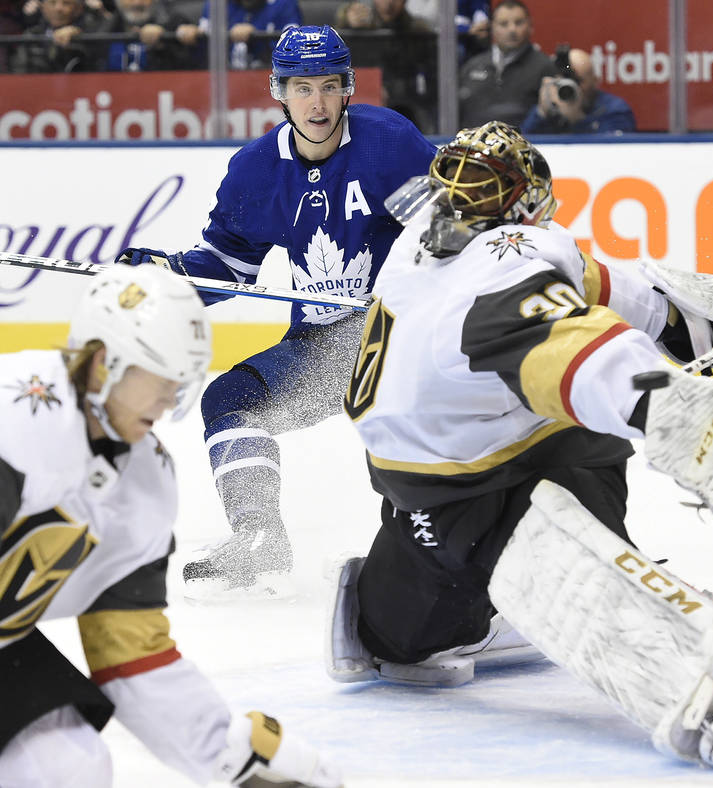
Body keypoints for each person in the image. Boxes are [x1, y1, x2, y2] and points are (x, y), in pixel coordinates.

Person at [323, 121, 713, 769]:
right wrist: (674, 409)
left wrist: (700, 333)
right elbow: (573, 350)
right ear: (527, 205)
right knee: (403, 635)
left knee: (410, 637)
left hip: (447, 508)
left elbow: (611, 300)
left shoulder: (420, 240)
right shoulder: (513, 253)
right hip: (472, 508)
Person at [116, 24, 435, 598]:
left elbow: (445, 233)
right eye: (301, 87)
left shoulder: (389, 142)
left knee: (395, 441)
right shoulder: (257, 170)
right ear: (278, 92)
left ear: (348, 89)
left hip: (396, 333)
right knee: (230, 401)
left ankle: (433, 553)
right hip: (319, 349)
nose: (316, 102)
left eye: (328, 86)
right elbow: (229, 267)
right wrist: (169, 277)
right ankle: (259, 537)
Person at [0, 265, 341, 787]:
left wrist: (224, 753)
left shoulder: (142, 483)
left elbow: (130, 651)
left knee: (66, 766)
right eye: (161, 375)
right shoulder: (14, 417)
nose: (170, 398)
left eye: (183, 378)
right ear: (101, 364)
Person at [333, 0, 437, 132]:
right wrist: (347, 24)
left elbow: (431, 78)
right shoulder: (361, 24)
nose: (389, 3)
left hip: (407, 107)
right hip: (363, 103)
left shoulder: (417, 30)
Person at [458, 0, 556, 128]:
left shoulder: (545, 67)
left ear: (530, 27)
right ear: (492, 27)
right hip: (473, 145)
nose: (512, 29)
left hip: (525, 145)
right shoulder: (471, 66)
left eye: (519, 23)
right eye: (504, 24)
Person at [521, 46, 635, 135]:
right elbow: (523, 145)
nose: (573, 87)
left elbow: (616, 150)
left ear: (596, 80)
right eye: (564, 81)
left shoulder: (616, 110)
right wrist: (541, 113)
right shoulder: (552, 107)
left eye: (578, 81)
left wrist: (577, 119)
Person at [176, 0, 302, 70]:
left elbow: (294, 51)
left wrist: (257, 37)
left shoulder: (284, 4)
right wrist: (193, 38)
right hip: (225, 84)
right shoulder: (217, 5)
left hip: (268, 81)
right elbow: (204, 56)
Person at [9, 0, 114, 72]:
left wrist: (76, 38)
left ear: (78, 9)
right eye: (52, 2)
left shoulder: (89, 34)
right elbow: (19, 70)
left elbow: (97, 63)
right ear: (43, 9)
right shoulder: (32, 36)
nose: (58, 8)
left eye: (66, 3)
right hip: (40, 92)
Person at [107, 0, 195, 71]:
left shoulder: (176, 24)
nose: (137, 3)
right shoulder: (104, 28)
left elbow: (191, 68)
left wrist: (163, 42)